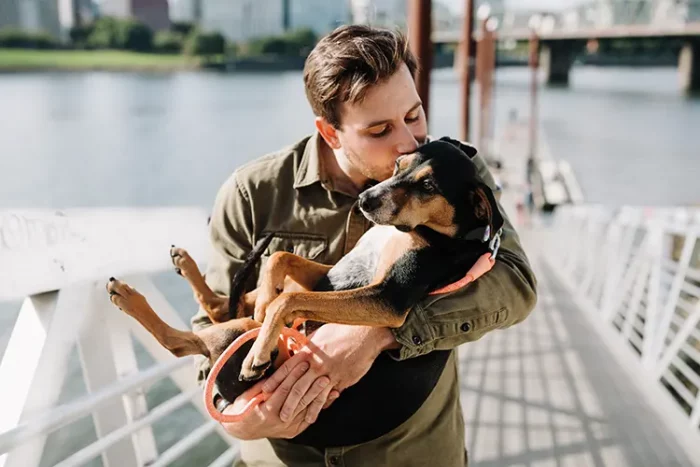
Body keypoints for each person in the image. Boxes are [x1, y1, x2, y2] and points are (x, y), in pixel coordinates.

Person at [191, 24, 538, 467]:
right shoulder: (251, 193)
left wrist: (378, 329)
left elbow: (516, 284)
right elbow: (210, 331)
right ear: (331, 132)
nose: (407, 143)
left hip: (412, 454)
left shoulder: (455, 174)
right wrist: (239, 417)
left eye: (414, 116)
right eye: (379, 130)